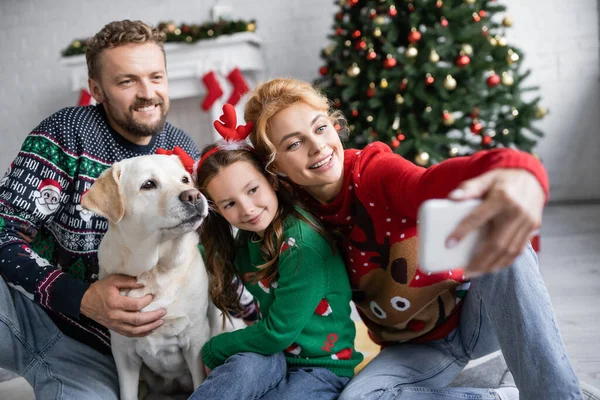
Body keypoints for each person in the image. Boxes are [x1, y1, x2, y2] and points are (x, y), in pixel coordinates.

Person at [242, 78, 584, 400]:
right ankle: (500, 395)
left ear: (334, 126)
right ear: (277, 168)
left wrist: (513, 168)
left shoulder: (373, 172)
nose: (317, 147)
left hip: (479, 315)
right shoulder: (293, 217)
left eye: (320, 128)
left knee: (498, 236)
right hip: (414, 348)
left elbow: (428, 184)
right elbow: (235, 202)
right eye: (294, 143)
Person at [0, 20, 254, 400]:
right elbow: (2, 228)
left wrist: (256, 320)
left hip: (105, 352)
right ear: (97, 90)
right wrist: (77, 296)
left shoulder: (179, 149)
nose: (147, 93)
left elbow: (211, 251)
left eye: (156, 77)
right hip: (40, 316)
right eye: (127, 81)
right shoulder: (64, 134)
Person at [187, 108, 362, 400]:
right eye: (229, 204)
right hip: (275, 357)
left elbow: (276, 332)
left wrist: (213, 349)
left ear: (272, 180)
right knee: (238, 374)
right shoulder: (248, 237)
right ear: (217, 211)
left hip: (323, 368)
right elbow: (204, 256)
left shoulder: (303, 246)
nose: (247, 209)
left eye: (252, 189)